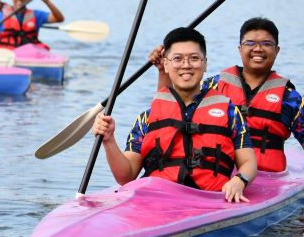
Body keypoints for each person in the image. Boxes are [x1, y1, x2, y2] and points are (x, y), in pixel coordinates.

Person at [92, 27, 257, 203]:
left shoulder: (231, 113)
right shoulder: (146, 119)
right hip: (158, 200)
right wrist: (109, 140)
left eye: (194, 58)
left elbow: (248, 162)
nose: (186, 65)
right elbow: (126, 176)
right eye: (177, 59)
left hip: (210, 201)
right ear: (166, 64)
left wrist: (240, 180)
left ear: (205, 63)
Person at [199, 17, 304, 171]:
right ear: (240, 49)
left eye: (266, 44)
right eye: (250, 43)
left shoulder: (290, 98)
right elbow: (177, 110)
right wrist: (165, 70)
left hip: (267, 180)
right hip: (219, 175)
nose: (258, 49)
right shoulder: (213, 86)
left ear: (277, 50)